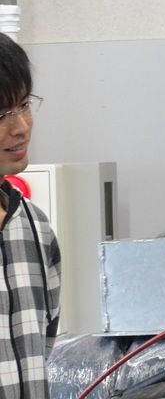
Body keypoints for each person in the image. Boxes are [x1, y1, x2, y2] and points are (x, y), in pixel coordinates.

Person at [0, 32, 61, 399]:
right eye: (1, 114)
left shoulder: (35, 227)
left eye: (23, 105)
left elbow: (44, 345)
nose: (20, 126)